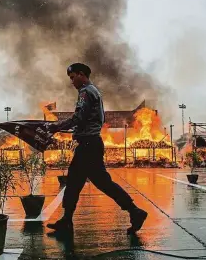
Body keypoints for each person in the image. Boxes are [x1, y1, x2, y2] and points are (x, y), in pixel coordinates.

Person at [45, 62, 148, 234]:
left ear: (81, 74)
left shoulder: (86, 92)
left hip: (88, 146)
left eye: (72, 77)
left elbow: (79, 117)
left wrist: (56, 126)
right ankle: (66, 220)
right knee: (75, 183)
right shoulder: (93, 91)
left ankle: (135, 212)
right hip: (89, 145)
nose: (71, 82)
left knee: (96, 183)